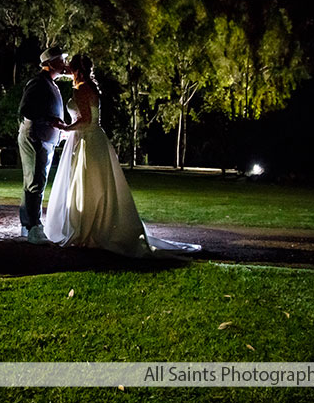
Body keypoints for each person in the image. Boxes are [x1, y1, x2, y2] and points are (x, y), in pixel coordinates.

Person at [45, 54, 201, 257]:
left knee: (86, 184)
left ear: (76, 70)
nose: (66, 70)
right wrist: (68, 131)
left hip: (87, 143)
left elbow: (85, 120)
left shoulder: (82, 88)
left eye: (69, 68)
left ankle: (87, 228)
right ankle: (94, 223)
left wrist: (65, 126)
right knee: (91, 184)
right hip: (88, 140)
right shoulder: (88, 87)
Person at [17, 46, 68, 245]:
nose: (64, 64)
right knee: (35, 182)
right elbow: (27, 109)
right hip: (36, 137)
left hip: (44, 138)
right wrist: (51, 121)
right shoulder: (38, 83)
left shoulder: (50, 83)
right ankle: (34, 227)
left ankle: (27, 225)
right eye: (61, 60)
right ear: (49, 63)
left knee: (34, 181)